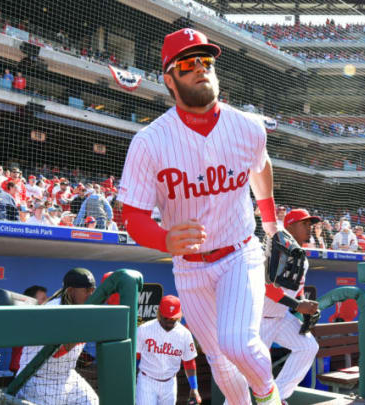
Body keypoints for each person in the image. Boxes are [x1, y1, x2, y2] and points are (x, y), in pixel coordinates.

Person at [118, 28, 281, 405]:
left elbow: (261, 166)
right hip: (189, 268)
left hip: (240, 252)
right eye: (188, 63)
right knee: (221, 364)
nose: (200, 69)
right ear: (169, 77)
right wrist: (163, 239)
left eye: (206, 61)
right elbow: (134, 217)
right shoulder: (149, 142)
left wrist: (271, 222)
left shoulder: (247, 126)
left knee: (238, 343)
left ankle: (270, 397)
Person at [260, 209, 320, 404]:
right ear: (290, 226)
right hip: (258, 321)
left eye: (310, 224)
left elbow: (297, 290)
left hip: (280, 317)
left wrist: (305, 308)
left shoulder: (302, 257)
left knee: (308, 347)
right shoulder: (275, 252)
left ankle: (278, 397)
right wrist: (297, 305)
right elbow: (267, 288)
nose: (309, 227)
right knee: (245, 377)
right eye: (304, 223)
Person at [16, 268, 99, 405]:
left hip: (67, 376)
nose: (91, 295)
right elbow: (57, 351)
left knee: (92, 401)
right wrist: (84, 329)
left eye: (92, 290)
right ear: (71, 291)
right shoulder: (52, 310)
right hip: (39, 379)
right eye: (86, 290)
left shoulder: (83, 309)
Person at [136, 295, 200, 405]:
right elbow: (136, 356)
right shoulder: (144, 329)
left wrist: (194, 388)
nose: (169, 322)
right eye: (166, 318)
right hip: (147, 381)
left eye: (173, 318)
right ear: (159, 314)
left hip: (169, 383)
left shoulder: (184, 334)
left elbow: (189, 362)